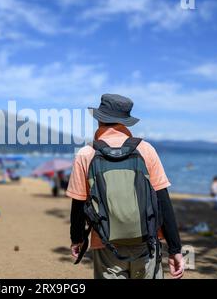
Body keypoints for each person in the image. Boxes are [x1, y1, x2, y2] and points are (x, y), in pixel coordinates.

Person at [67, 94, 184, 279]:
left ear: (99, 119)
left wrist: (77, 239)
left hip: (105, 243)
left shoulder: (86, 154)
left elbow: (79, 204)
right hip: (147, 243)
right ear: (126, 122)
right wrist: (175, 248)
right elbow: (163, 201)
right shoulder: (146, 150)